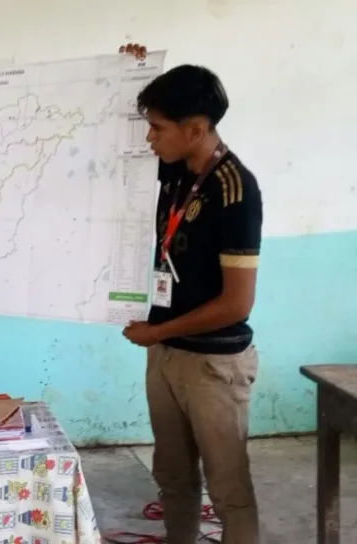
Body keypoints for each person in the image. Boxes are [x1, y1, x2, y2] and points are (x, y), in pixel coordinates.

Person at [120, 43, 262, 544]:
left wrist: (160, 331)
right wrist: (128, 72)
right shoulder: (173, 171)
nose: (149, 137)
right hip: (165, 355)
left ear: (196, 129)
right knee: (174, 480)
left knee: (229, 492)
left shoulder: (234, 190)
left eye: (158, 127)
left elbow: (235, 305)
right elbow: (110, 147)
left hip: (213, 367)